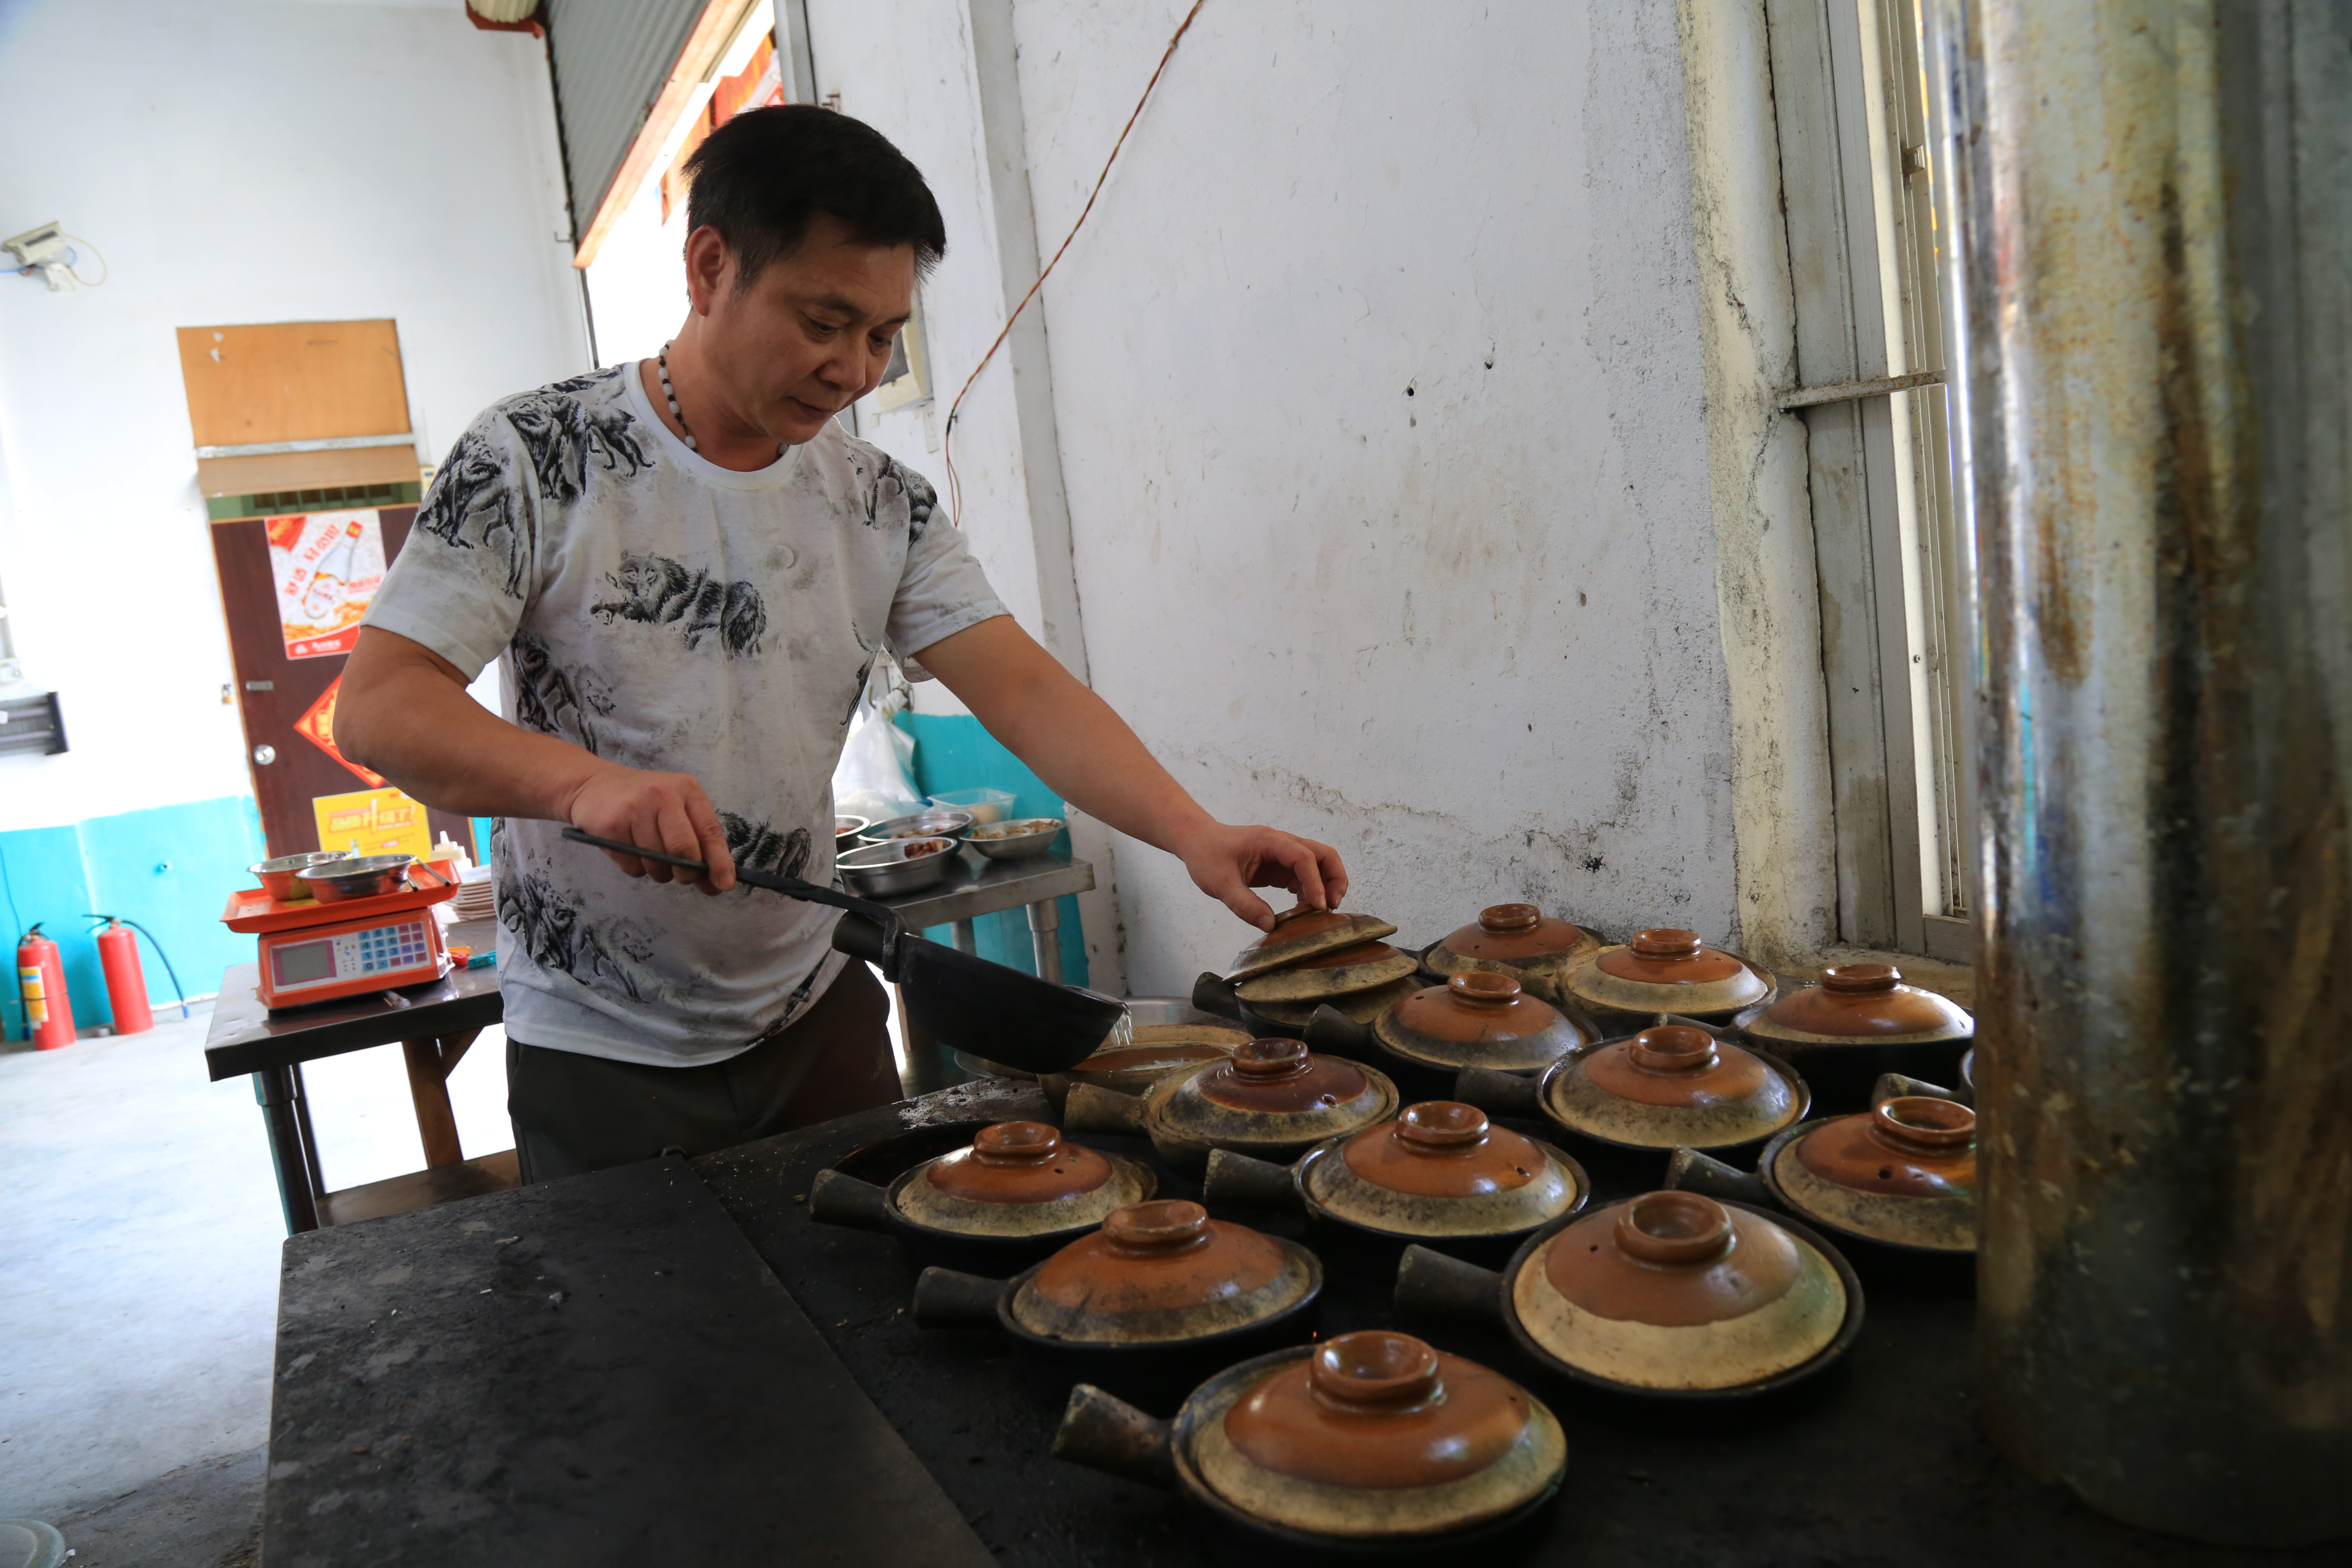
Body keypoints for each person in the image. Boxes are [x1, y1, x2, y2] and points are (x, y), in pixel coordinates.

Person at [336, 105, 1346, 1182]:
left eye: (883, 335)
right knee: (652, 1344)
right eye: (824, 324)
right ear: (710, 267)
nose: (858, 372)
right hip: (601, 1049)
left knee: (871, 1300)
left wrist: (1192, 831)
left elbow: (1022, 687)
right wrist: (583, 785)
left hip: (817, 1015)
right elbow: (383, 706)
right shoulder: (535, 457)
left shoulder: (875, 503)